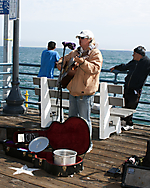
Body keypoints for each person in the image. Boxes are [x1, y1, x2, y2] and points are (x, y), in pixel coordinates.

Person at [57, 30, 103, 152]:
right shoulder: (76, 52)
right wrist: (60, 63)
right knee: (72, 118)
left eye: (83, 38)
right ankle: (72, 141)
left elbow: (94, 69)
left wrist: (82, 62)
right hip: (73, 91)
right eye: (79, 37)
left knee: (84, 120)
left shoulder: (95, 53)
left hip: (85, 93)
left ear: (89, 40)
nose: (80, 40)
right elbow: (65, 59)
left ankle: (87, 144)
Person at [110, 46, 150, 130]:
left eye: (134, 53)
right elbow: (125, 66)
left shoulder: (147, 63)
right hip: (127, 87)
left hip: (136, 89)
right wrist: (116, 67)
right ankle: (125, 123)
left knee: (131, 106)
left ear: (139, 54)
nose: (132, 55)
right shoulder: (134, 62)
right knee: (125, 105)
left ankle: (129, 124)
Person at [38, 41, 60, 115]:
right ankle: (48, 112)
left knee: (41, 94)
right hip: (49, 77)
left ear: (47, 46)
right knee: (50, 95)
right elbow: (59, 61)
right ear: (55, 47)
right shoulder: (55, 53)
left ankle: (41, 110)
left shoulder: (44, 52)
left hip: (40, 76)